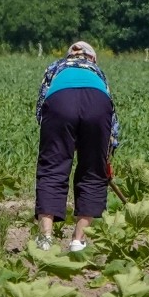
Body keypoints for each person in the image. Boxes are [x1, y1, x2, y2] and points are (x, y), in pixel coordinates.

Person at [34, 40, 120, 254]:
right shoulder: (97, 72)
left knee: (52, 169)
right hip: (97, 102)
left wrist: (61, 142)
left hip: (60, 101)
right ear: (92, 58)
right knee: (92, 171)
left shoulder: (56, 68)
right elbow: (112, 122)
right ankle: (78, 241)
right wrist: (105, 157)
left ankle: (45, 238)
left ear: (69, 57)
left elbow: (41, 110)